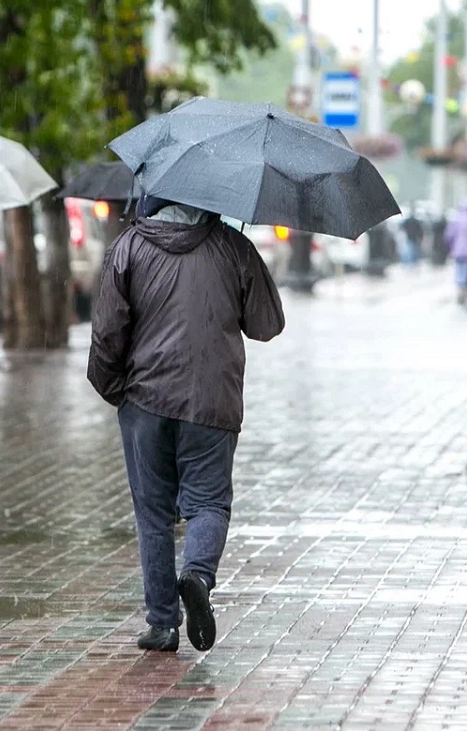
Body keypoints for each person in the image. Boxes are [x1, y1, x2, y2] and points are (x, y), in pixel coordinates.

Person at [88, 196, 285, 652]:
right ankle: (197, 575)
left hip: (145, 400)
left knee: (153, 514)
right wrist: (242, 261)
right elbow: (267, 324)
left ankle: (162, 624)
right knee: (209, 503)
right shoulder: (233, 247)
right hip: (212, 400)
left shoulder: (129, 246)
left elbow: (107, 330)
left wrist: (117, 390)